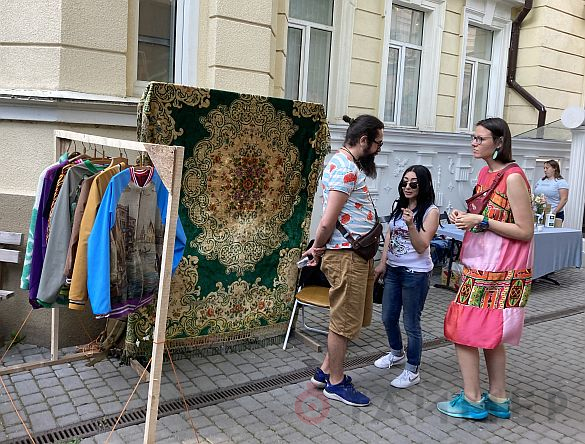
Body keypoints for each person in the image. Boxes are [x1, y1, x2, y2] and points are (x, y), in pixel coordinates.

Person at [437, 117, 533, 420]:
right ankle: (498, 398)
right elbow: (488, 218)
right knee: (490, 336)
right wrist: (468, 218)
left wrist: (482, 221)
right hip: (484, 264)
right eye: (473, 137)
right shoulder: (486, 172)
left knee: (462, 331)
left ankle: (472, 400)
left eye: (481, 139)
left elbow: (525, 231)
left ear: (499, 142)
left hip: (497, 269)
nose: (474, 143)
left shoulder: (513, 177)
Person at [302, 114, 384, 407]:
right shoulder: (345, 169)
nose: (379, 149)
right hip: (347, 256)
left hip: (354, 255)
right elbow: (327, 221)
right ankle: (336, 384)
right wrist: (317, 248)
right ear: (363, 140)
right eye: (378, 143)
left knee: (350, 319)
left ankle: (324, 372)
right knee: (343, 321)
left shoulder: (346, 166)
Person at [373, 165, 439, 388]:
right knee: (387, 317)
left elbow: (421, 246)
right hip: (393, 270)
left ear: (424, 185)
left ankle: (412, 370)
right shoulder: (400, 206)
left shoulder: (431, 212)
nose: (407, 187)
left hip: (415, 274)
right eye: (404, 182)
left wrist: (411, 225)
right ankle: (396, 352)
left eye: (413, 183)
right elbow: (389, 234)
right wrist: (383, 263)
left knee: (411, 323)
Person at [533, 159, 569, 227]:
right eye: (544, 168)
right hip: (539, 212)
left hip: (553, 213)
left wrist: (554, 212)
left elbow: (564, 199)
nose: (545, 170)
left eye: (547, 168)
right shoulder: (541, 180)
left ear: (554, 168)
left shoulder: (561, 182)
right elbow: (536, 195)